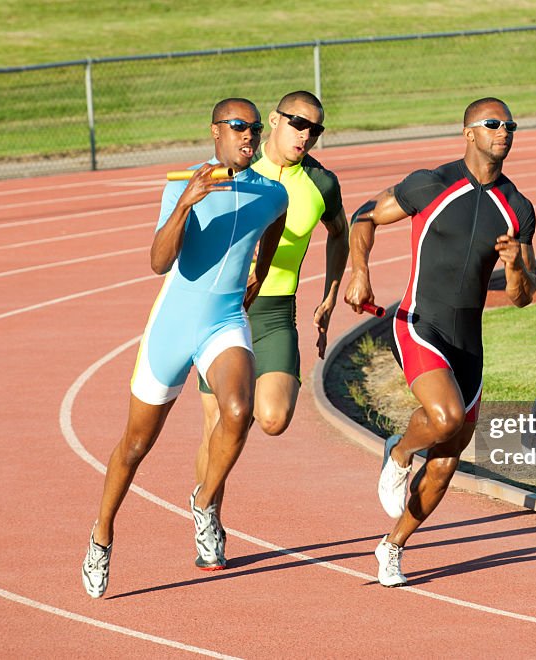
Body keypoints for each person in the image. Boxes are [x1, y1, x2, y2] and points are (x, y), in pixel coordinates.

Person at [81, 98, 288, 598]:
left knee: (239, 411)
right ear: (215, 131)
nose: (250, 136)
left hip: (224, 320)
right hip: (173, 325)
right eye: (240, 127)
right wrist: (185, 203)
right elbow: (157, 261)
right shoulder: (182, 183)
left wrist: (260, 267)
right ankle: (101, 536)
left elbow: (274, 229)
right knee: (135, 445)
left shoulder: (272, 193)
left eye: (256, 128)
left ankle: (205, 502)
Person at [345, 98, 536, 587]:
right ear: (468, 132)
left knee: (448, 461)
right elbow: (364, 217)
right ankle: (398, 454)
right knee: (445, 417)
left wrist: (516, 267)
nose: (504, 132)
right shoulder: (431, 183)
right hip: (418, 321)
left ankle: (392, 547)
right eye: (493, 124)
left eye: (510, 125)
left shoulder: (517, 208)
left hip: (467, 342)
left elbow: (522, 297)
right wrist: (360, 273)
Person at [194, 91, 348, 556]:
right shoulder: (235, 169)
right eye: (299, 124)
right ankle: (208, 519)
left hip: (277, 313)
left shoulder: (320, 183)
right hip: (225, 313)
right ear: (275, 121)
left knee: (273, 417)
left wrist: (330, 296)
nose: (306, 135)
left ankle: (203, 505)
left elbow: (340, 233)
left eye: (316, 129)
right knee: (218, 425)